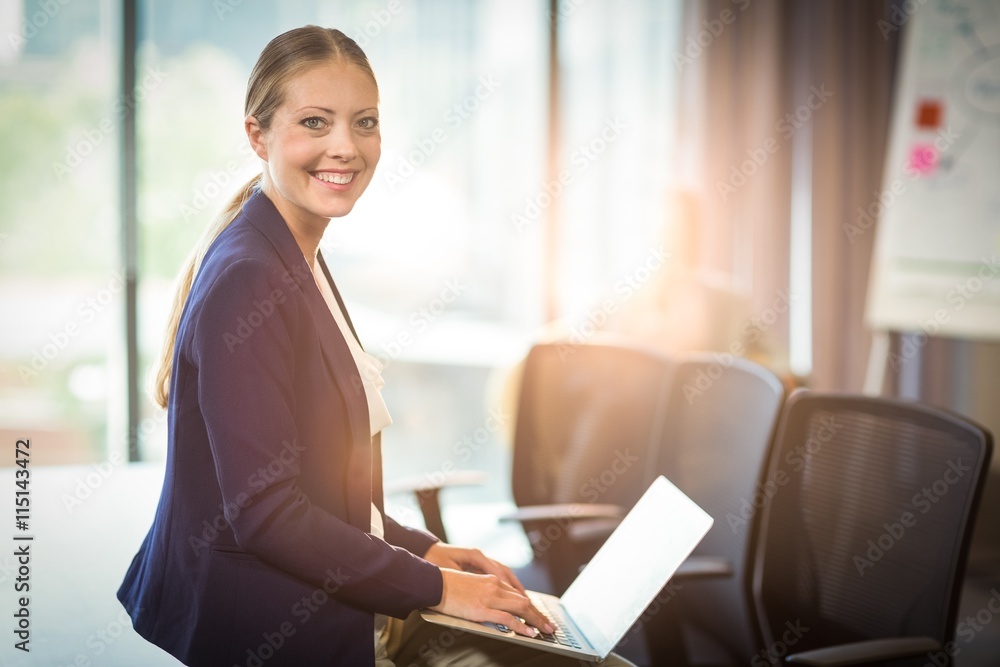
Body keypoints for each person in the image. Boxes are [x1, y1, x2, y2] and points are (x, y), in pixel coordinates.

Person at [117, 26, 636, 666]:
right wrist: (439, 588)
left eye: (364, 122)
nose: (346, 146)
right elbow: (267, 513)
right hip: (272, 629)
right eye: (315, 122)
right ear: (257, 135)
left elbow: (320, 488)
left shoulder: (299, 255)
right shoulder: (251, 276)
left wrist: (425, 550)